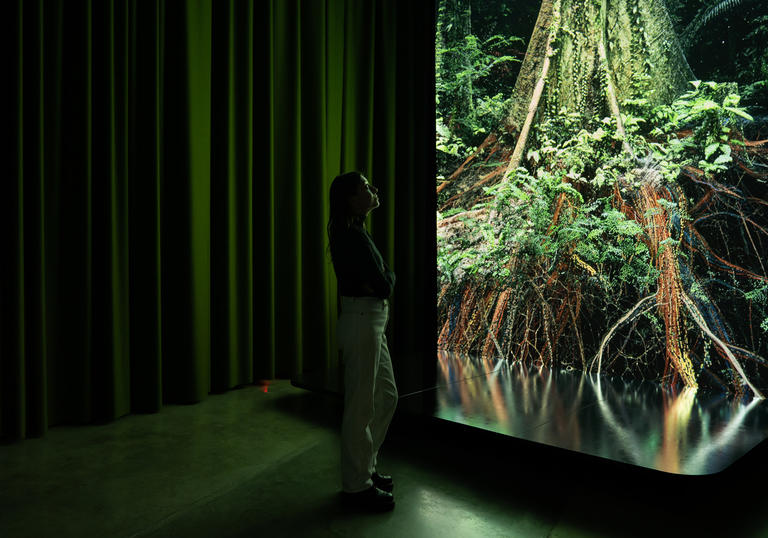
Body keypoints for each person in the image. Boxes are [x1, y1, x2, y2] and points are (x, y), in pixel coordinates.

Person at [327, 171, 398, 511]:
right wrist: (386, 277)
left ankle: (365, 470)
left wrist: (384, 278)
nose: (374, 190)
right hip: (362, 321)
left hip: (370, 320)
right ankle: (356, 487)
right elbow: (385, 283)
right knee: (361, 406)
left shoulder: (355, 232)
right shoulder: (352, 237)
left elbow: (382, 280)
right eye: (366, 187)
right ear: (352, 199)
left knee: (386, 396)